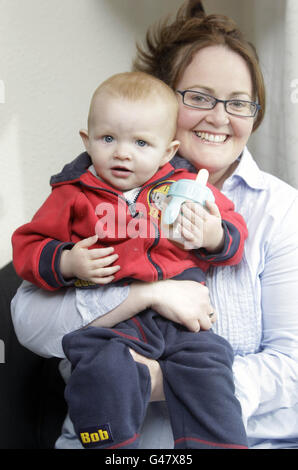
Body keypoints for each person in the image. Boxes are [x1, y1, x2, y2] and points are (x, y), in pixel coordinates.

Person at [10, 1, 298, 450]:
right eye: (199, 97)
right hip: (110, 424)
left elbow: (291, 365)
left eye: (238, 103)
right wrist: (146, 294)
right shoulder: (86, 190)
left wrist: (156, 379)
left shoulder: (278, 210)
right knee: (101, 362)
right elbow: (29, 321)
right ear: (159, 99)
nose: (219, 117)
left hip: (252, 436)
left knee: (204, 356)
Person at [11, 71, 248, 449]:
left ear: (167, 152)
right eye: (108, 139)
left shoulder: (183, 187)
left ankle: (216, 445)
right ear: (87, 142)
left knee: (210, 361)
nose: (123, 152)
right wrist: (67, 262)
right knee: (100, 367)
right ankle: (110, 445)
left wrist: (212, 235)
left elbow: (234, 229)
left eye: (141, 142)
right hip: (112, 318)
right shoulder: (72, 194)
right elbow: (28, 246)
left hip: (179, 322)